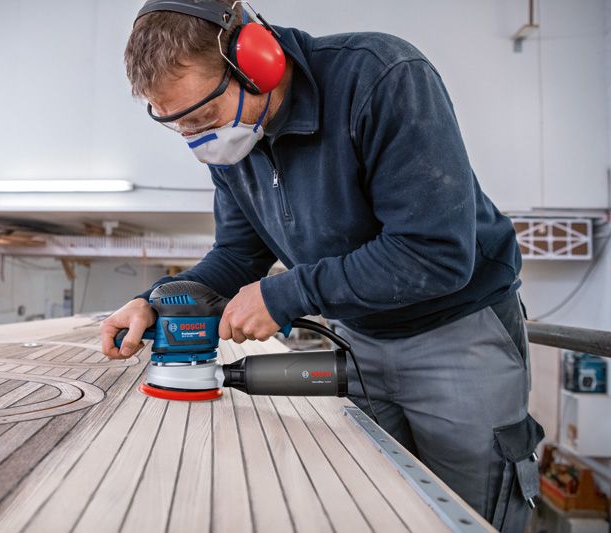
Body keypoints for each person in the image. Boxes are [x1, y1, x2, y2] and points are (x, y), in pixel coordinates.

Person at [101, 1, 544, 530]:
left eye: (203, 117)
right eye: (180, 127)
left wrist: (286, 295)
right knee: (378, 506)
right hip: (358, 336)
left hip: (457, 333)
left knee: (470, 514)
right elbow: (239, 255)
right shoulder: (234, 145)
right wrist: (157, 303)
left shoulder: (382, 77)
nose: (199, 141)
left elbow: (435, 253)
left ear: (256, 59)